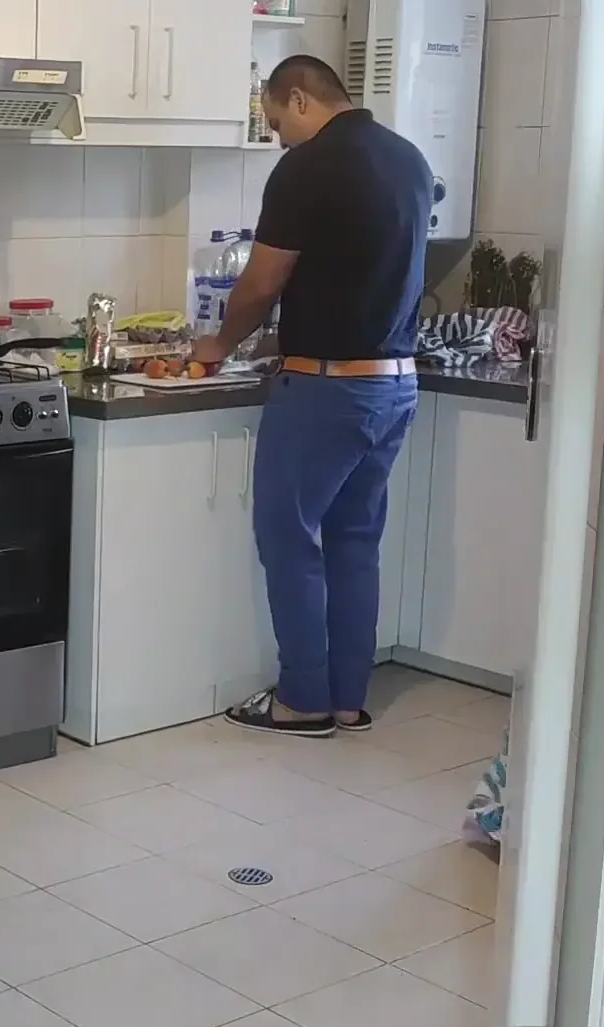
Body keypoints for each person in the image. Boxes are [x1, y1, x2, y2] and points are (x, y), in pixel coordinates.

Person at [189, 54, 432, 738]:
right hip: (394, 383)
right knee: (355, 541)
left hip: (327, 388)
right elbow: (361, 273)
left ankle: (300, 699)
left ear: (299, 99)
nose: (277, 139)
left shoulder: (307, 166)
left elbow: (263, 281)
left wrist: (217, 345)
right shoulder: (410, 160)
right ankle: (347, 700)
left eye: (274, 123)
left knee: (289, 538)